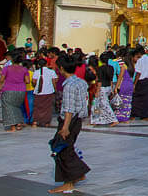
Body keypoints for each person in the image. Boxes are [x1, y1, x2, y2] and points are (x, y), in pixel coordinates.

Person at [49, 54, 91, 194]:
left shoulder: (69, 86)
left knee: (63, 150)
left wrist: (65, 127)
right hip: (77, 120)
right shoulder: (81, 82)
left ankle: (69, 182)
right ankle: (78, 173)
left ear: (61, 68)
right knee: (67, 148)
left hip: (69, 121)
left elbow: (69, 108)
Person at [0, 52, 30, 131]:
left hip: (9, 90)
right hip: (21, 90)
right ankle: (18, 123)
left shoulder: (7, 68)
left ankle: (12, 127)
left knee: (9, 107)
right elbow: (27, 81)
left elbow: (1, 80)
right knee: (17, 107)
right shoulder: (24, 69)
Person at [131, 46, 148, 120]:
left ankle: (134, 114)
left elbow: (138, 73)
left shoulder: (140, 60)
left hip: (141, 80)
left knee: (136, 98)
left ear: (138, 53)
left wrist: (134, 84)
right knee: (147, 98)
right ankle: (147, 115)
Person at [90, 61, 118, 126]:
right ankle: (97, 120)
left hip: (101, 89)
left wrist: (97, 91)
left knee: (104, 105)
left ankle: (114, 119)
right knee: (100, 105)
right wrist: (111, 89)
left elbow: (100, 81)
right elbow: (111, 79)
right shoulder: (110, 68)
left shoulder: (100, 69)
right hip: (107, 87)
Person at [34, 57, 59, 127]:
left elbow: (34, 81)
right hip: (49, 91)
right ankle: (46, 122)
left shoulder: (36, 72)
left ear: (38, 65)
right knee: (47, 108)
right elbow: (54, 81)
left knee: (37, 107)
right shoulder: (51, 72)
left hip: (38, 92)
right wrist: (55, 89)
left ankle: (36, 121)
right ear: (46, 64)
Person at [114, 52, 134, 122]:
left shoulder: (123, 67)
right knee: (128, 102)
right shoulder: (132, 66)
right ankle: (126, 117)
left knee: (122, 101)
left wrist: (116, 87)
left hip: (124, 84)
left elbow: (120, 77)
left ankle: (121, 117)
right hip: (130, 84)